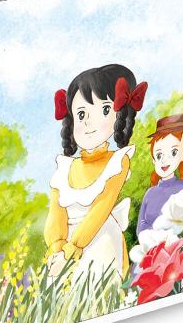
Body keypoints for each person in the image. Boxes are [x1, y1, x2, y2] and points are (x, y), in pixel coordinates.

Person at [44, 65, 147, 277]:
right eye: (81, 114)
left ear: (119, 115)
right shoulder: (65, 167)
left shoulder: (117, 162)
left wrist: (72, 250)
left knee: (95, 286)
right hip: (64, 248)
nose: (89, 122)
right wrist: (57, 247)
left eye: (105, 110)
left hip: (98, 239)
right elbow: (56, 211)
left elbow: (101, 208)